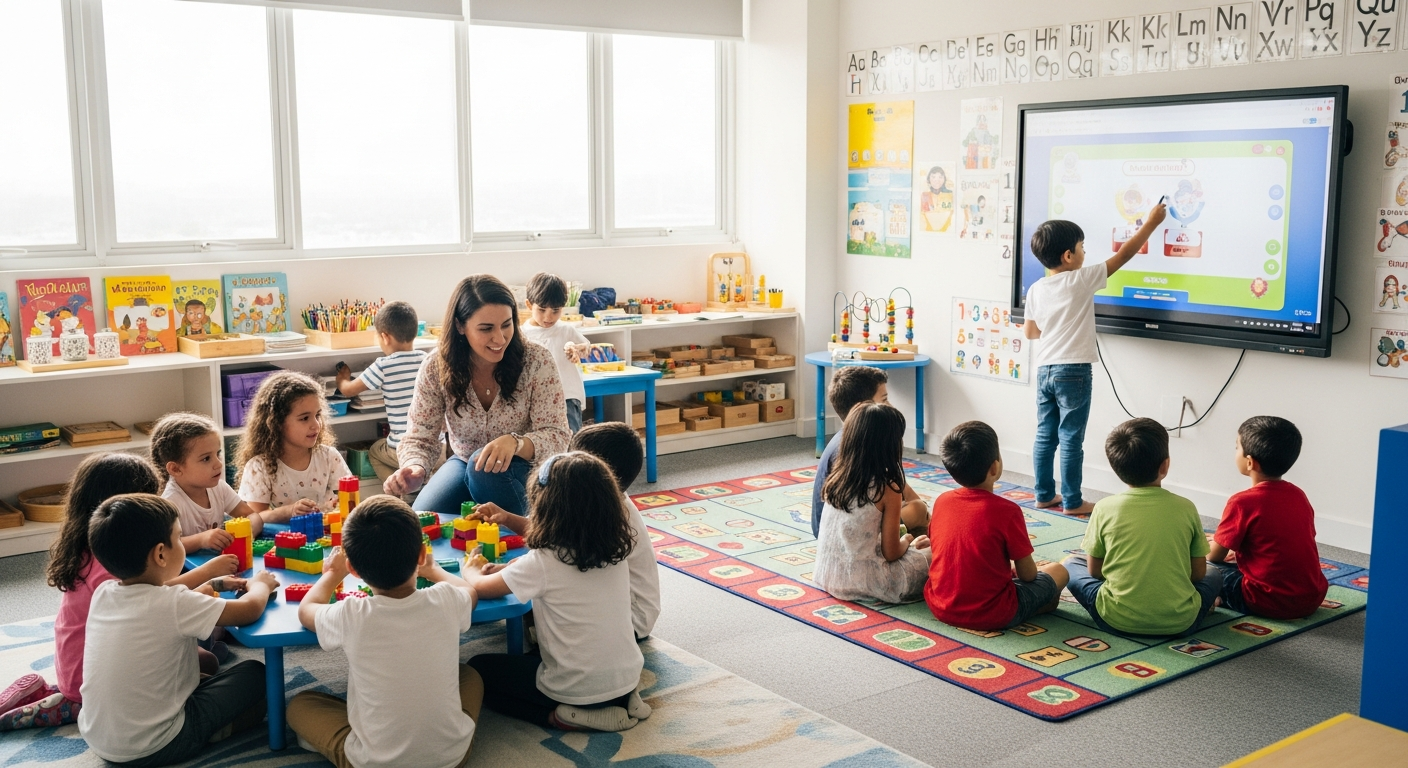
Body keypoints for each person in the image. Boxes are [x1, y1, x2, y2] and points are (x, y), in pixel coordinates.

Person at [0, 454, 239, 731]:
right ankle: (50, 707)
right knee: (205, 660)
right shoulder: (109, 565)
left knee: (203, 650)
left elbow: (152, 598)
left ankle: (46, 693)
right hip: (88, 681)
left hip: (81, 660)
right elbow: (153, 598)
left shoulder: (94, 548)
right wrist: (207, 571)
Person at [78, 494, 277, 766]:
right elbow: (249, 610)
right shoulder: (174, 604)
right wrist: (261, 585)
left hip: (99, 739)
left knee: (205, 666)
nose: (182, 543)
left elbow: (160, 599)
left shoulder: (104, 592)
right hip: (158, 745)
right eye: (179, 537)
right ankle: (212, 733)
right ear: (161, 554)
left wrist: (213, 584)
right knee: (256, 674)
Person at [288, 496, 483, 768]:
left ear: (353, 570)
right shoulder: (446, 598)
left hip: (375, 763)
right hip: (452, 758)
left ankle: (341, 744)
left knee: (299, 705)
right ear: (421, 555)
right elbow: (470, 592)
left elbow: (306, 610)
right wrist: (433, 570)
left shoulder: (352, 614)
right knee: (471, 676)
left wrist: (333, 574)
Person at [464, 452, 647, 732]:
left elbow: (480, 588)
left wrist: (471, 568)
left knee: (478, 669)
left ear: (545, 507)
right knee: (541, 657)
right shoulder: (613, 550)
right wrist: (509, 526)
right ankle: (624, 699)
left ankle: (560, 716)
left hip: (575, 689)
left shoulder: (543, 562)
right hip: (628, 676)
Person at [1022, 202, 1167, 515]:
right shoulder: (1080, 279)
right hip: (1073, 370)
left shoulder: (1035, 289)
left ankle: (1043, 495)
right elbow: (1124, 255)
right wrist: (1152, 223)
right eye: (1082, 247)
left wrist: (1056, 322)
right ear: (1068, 256)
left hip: (1045, 369)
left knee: (1045, 435)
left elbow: (1031, 332)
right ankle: (1073, 501)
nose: (1085, 253)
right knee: (1071, 438)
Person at [385, 275, 571, 516]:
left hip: (526, 467)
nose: (500, 338)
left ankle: (536, 527)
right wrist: (415, 468)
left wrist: (516, 443)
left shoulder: (537, 360)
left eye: (507, 325)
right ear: (460, 326)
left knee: (481, 470)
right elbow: (420, 435)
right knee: (423, 518)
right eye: (486, 329)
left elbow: (557, 436)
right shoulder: (435, 366)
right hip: (465, 462)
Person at [1063, 418, 1223, 637]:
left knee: (1071, 564)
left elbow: (1094, 572)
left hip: (1114, 620)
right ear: (1165, 466)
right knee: (1214, 573)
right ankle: (1201, 607)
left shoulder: (1103, 508)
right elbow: (1198, 574)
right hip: (1182, 622)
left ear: (1116, 468)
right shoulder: (1186, 507)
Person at [925, 421, 1069, 630]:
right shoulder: (1008, 511)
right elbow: (1028, 575)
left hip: (940, 606)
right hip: (993, 613)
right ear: (995, 467)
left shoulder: (941, 501)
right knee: (1059, 571)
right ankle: (1034, 608)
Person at [1208, 416, 1328, 619]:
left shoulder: (1241, 502)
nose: (1235, 452)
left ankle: (1211, 598)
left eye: (1237, 447)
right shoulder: (1298, 495)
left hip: (1265, 601)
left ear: (1249, 462)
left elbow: (1214, 556)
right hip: (1311, 597)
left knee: (1200, 568)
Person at [814, 403, 931, 604]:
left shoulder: (837, 476)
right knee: (937, 555)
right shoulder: (887, 487)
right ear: (890, 445)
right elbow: (892, 553)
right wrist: (907, 541)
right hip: (865, 581)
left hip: (826, 574)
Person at [811, 366, 928, 538]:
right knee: (918, 511)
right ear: (863, 407)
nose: (890, 406)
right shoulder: (856, 448)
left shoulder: (851, 436)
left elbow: (897, 483)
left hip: (838, 525)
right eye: (885, 399)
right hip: (840, 532)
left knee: (919, 507)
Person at [571, 422, 661, 640]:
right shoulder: (603, 499)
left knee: (547, 593)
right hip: (621, 607)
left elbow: (561, 558)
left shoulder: (611, 516)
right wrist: (507, 518)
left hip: (632, 619)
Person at [150, 412, 280, 553]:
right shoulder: (171, 502)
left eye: (218, 454)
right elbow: (166, 547)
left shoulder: (219, 487)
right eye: (206, 458)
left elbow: (252, 515)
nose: (218, 464)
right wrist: (202, 540)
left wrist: (249, 530)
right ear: (175, 469)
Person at [334, 301, 431, 482]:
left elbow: (348, 391)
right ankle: (419, 482)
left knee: (375, 450)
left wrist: (342, 378)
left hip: (403, 448)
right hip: (436, 446)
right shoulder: (427, 360)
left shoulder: (384, 365)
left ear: (385, 337)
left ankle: (400, 489)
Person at [237, 371, 354, 517]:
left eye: (317, 415)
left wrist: (336, 506)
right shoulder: (259, 467)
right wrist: (289, 511)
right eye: (304, 418)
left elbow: (349, 501)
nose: (316, 425)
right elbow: (255, 516)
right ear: (276, 423)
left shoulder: (329, 457)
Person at [520, 273, 591, 434]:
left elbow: (586, 348)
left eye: (555, 310)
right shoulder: (522, 334)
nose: (548, 317)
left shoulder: (566, 330)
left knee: (570, 440)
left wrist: (579, 349)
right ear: (529, 305)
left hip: (567, 397)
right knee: (541, 441)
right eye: (542, 309)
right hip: (536, 400)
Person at [919, 165, 953, 232]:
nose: (937, 180)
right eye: (933, 177)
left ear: (944, 179)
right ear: (929, 179)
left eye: (940, 177)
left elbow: (951, 215)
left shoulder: (949, 195)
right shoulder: (925, 196)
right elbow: (923, 216)